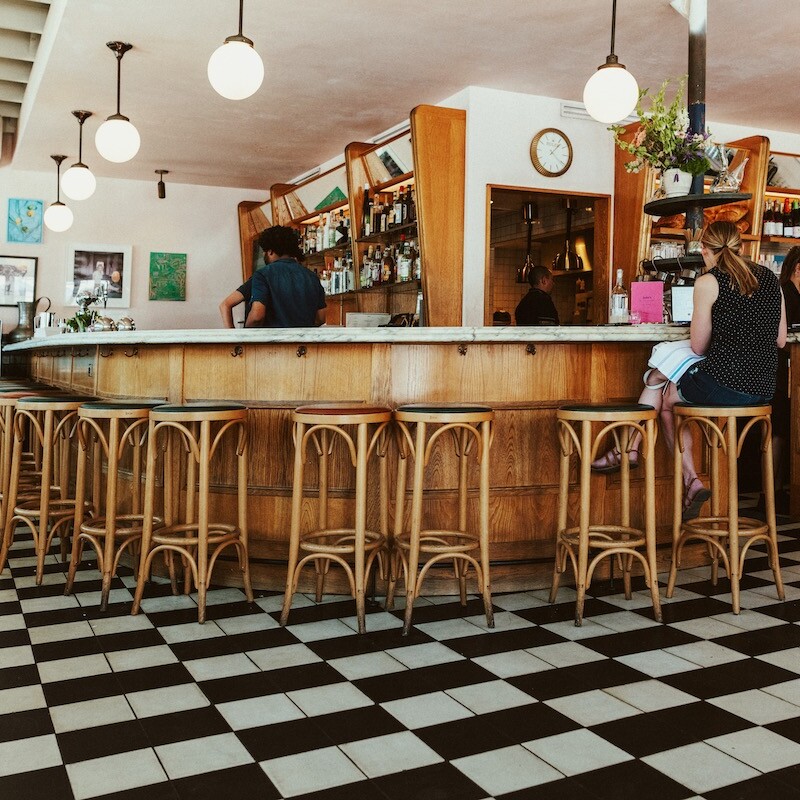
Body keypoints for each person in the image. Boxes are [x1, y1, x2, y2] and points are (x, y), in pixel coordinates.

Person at [660, 221, 786, 520]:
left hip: (725, 386)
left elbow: (699, 346)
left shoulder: (708, 282)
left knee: (666, 400)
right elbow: (781, 340)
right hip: (763, 390)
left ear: (705, 250)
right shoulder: (770, 278)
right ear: (740, 246)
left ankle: (692, 480)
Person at [245, 226, 326, 328]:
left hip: (275, 341)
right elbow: (321, 318)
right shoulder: (312, 277)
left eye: (264, 251)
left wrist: (244, 332)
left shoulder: (263, 275)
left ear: (270, 251)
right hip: (305, 341)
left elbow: (257, 316)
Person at [770, 246, 800, 509]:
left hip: (787, 371)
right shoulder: (787, 294)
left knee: (782, 429)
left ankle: (776, 491)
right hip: (782, 371)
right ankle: (771, 492)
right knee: (778, 429)